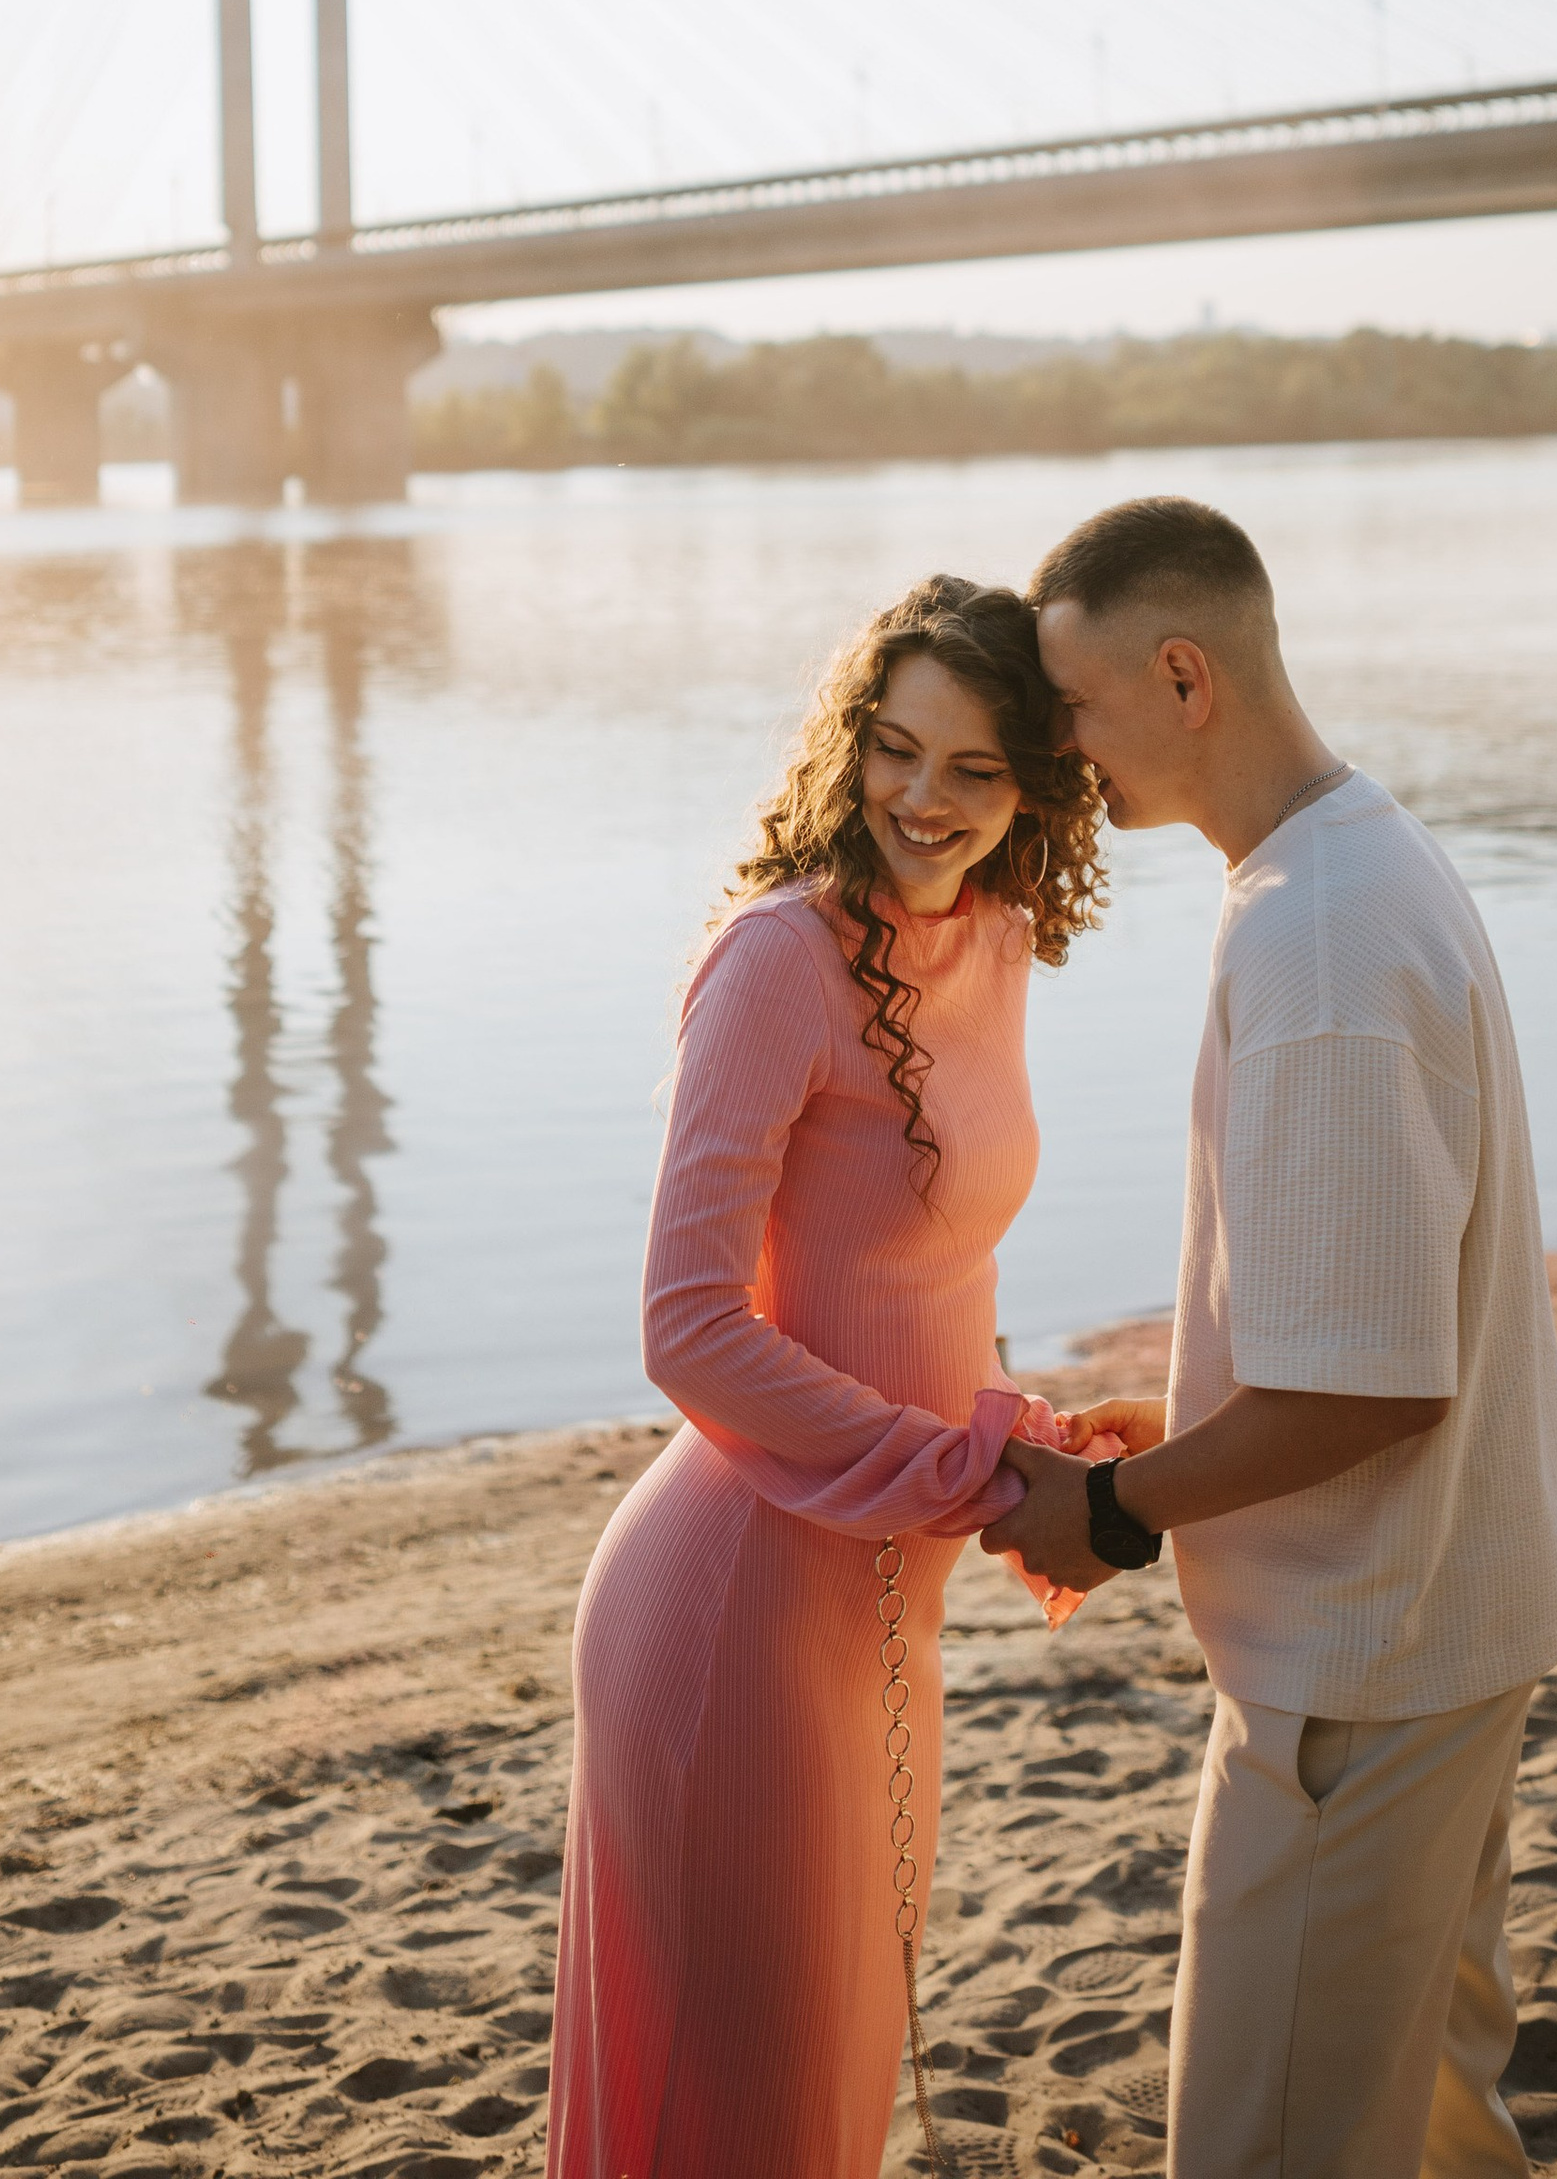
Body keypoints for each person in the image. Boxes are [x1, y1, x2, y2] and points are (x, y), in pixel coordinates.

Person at [990, 493, 1557, 2179]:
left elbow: (1371, 1389)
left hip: (1362, 1663)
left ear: (1185, 675)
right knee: (1426, 2126)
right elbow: (1369, 1310)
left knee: (1267, 2149)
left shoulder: (1318, 937)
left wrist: (1108, 1515)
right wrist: (1177, 1414)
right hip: (1455, 1621)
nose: (1062, 756)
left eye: (1075, 709)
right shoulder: (1360, 854)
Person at [547, 574, 1109, 2179]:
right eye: (895, 747)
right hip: (734, 1606)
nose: (924, 800)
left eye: (977, 770)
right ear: (847, 741)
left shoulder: (995, 942)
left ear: (1035, 789)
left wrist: (1034, 1436)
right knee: (747, 2113)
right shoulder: (778, 959)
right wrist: (973, 1477)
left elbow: (927, 1288)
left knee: (830, 2092)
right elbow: (690, 1326)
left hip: (883, 1602)